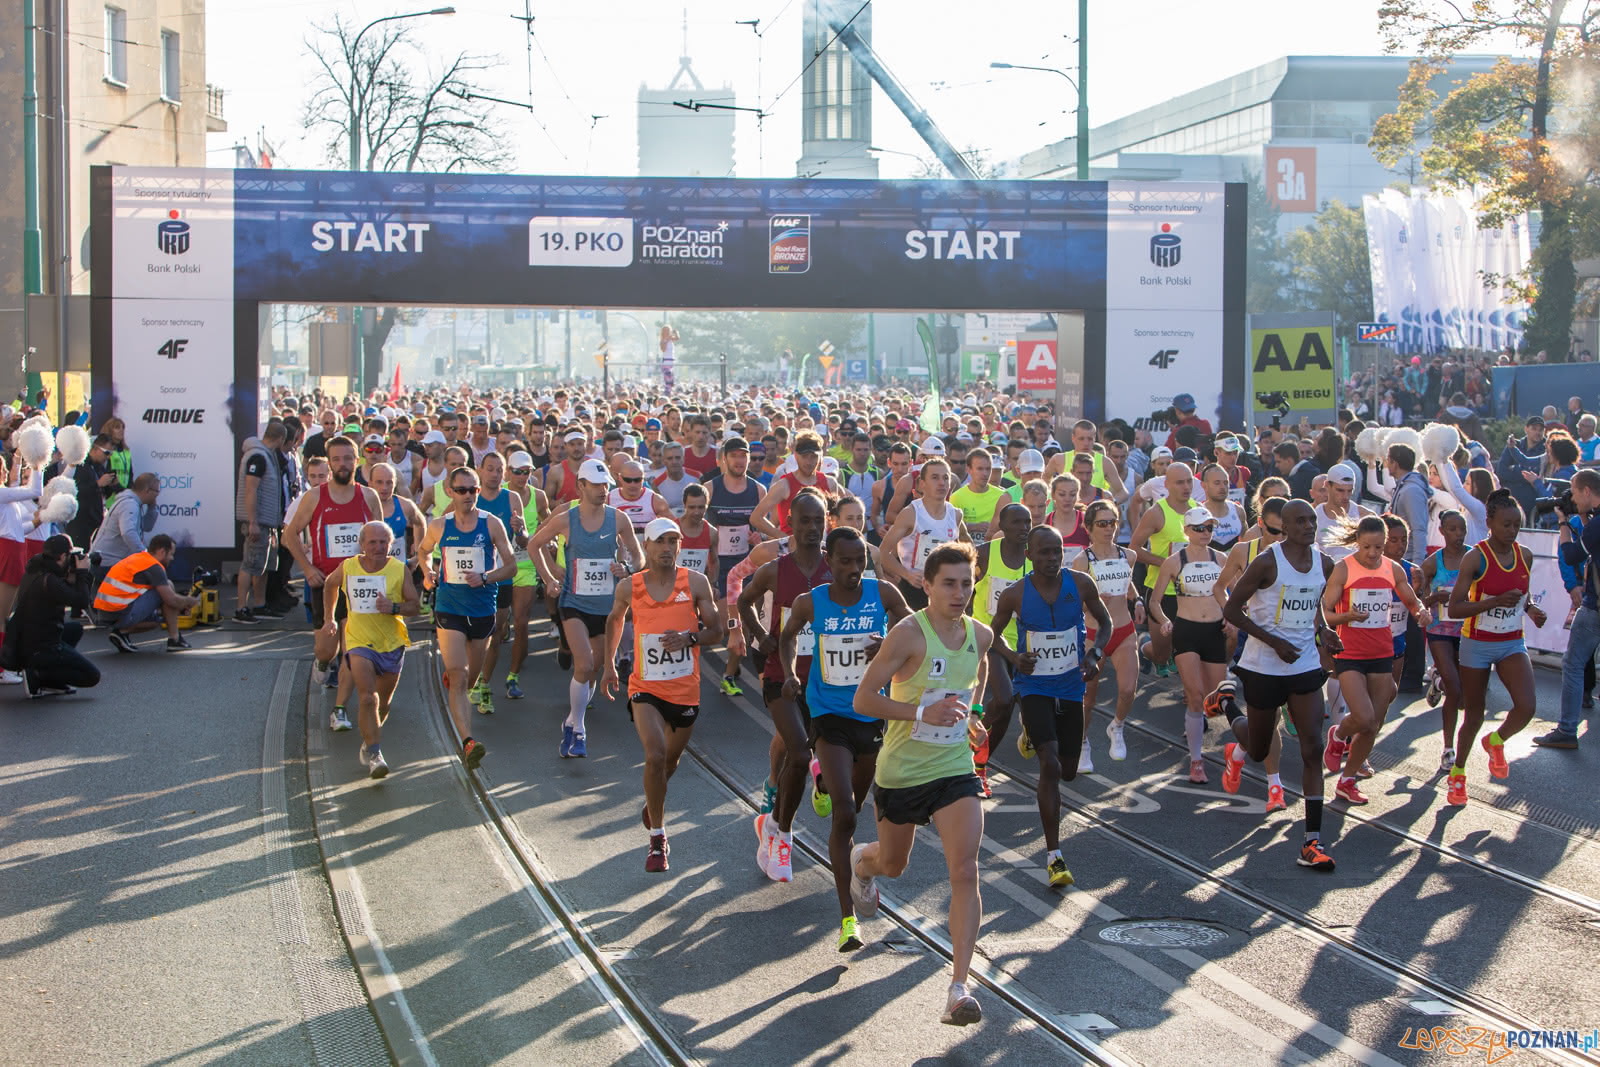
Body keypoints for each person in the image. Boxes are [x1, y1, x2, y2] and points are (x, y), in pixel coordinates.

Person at [849, 542, 992, 1026]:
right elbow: (864, 699)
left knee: (966, 871)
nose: (959, 593)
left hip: (953, 767)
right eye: (948, 583)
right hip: (901, 773)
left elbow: (980, 670)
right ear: (926, 586)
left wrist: (973, 715)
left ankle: (958, 987)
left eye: (966, 583)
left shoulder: (981, 636)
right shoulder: (908, 635)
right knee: (893, 864)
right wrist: (919, 712)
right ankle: (861, 863)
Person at [779, 526, 910, 947]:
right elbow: (784, 637)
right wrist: (787, 675)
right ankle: (847, 919)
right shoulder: (810, 602)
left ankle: (821, 781)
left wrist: (886, 644)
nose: (854, 569)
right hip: (828, 714)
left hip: (870, 715)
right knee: (847, 814)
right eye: (845, 561)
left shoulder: (884, 595)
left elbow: (914, 636)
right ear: (828, 561)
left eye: (860, 561)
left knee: (855, 797)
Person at [1220, 500, 1340, 870]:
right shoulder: (1268, 562)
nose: (1309, 526)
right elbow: (1231, 609)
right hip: (1263, 666)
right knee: (1257, 750)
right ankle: (1226, 704)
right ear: (1285, 527)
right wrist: (1273, 641)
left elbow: (1315, 604)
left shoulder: (1324, 562)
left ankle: (1312, 841)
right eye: (1300, 521)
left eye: (1312, 520)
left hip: (1303, 665)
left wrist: (1324, 631)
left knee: (1312, 746)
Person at [600, 516, 723, 873]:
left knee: (669, 762)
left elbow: (716, 630)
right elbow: (614, 620)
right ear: (648, 546)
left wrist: (691, 638)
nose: (667, 548)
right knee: (654, 756)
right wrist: (609, 665)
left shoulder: (695, 583)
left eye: (673, 542)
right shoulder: (630, 587)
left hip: (685, 690)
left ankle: (654, 799)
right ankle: (658, 838)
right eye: (661, 542)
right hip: (646, 688)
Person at [990, 524, 1111, 886]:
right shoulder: (1014, 594)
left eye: (1056, 551)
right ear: (1029, 555)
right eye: (1043, 552)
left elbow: (1105, 623)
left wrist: (1095, 654)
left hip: (1072, 686)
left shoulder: (1081, 584)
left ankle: (1030, 734)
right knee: (1052, 765)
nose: (1051, 558)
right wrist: (1014, 657)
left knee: (1070, 770)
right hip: (1034, 687)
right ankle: (1054, 856)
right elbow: (991, 634)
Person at [740, 490, 830, 883]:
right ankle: (782, 835)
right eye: (805, 520)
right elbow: (744, 602)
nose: (812, 528)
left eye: (819, 521)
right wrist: (760, 636)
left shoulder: (836, 567)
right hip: (781, 675)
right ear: (789, 523)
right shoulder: (775, 570)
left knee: (810, 759)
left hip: (825, 680)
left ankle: (773, 823)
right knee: (798, 752)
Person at [528, 458, 643, 758]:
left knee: (595, 668)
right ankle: (579, 728)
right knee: (584, 665)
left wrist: (627, 568)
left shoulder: (618, 519)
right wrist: (549, 577)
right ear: (581, 486)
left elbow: (639, 556)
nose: (603, 491)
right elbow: (534, 544)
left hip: (606, 607)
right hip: (574, 602)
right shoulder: (567, 518)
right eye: (596, 486)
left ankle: (570, 721)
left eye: (606, 486)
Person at [1444, 489, 1547, 804]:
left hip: (1512, 641)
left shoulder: (1524, 555)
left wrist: (1530, 609)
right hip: (1477, 643)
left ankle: (1496, 740)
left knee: (1527, 707)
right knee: (1474, 713)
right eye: (1505, 524)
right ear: (1489, 522)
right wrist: (1493, 603)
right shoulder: (1475, 557)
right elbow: (1455, 608)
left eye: (1516, 525)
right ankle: (1458, 773)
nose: (1511, 531)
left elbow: (1521, 593)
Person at [1320, 516, 1430, 805]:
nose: (1372, 553)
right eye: (1367, 547)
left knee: (1373, 725)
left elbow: (1410, 600)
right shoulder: (1343, 569)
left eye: (1378, 548)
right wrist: (1347, 617)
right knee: (1364, 716)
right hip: (1349, 654)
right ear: (1357, 542)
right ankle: (1339, 733)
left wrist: (1421, 612)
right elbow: (1324, 613)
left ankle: (1347, 781)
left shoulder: (1392, 569)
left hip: (1382, 652)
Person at [417, 463, 519, 770]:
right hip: (449, 607)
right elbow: (422, 551)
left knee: (469, 678)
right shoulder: (439, 525)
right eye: (461, 490)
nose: (467, 495)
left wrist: (486, 577)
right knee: (459, 675)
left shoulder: (491, 524)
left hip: (483, 609)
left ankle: (458, 684)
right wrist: (427, 573)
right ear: (450, 492)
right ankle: (468, 741)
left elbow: (511, 567)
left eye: (473, 490)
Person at [283, 436, 382, 719]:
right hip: (325, 582)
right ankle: (324, 664)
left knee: (352, 651)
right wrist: (308, 568)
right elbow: (289, 535)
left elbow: (380, 539)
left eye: (347, 458)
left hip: (359, 584)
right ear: (330, 463)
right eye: (336, 459)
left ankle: (340, 709)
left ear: (357, 460)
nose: (342, 464)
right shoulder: (314, 497)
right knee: (326, 648)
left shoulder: (368, 496)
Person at [322, 521, 419, 779]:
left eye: (383, 542)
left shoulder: (399, 570)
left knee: (383, 704)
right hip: (358, 641)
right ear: (362, 544)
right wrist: (329, 618)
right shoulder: (349, 566)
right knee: (367, 698)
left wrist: (394, 607)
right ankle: (376, 754)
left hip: (391, 643)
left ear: (390, 545)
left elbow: (415, 606)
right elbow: (330, 585)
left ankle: (368, 740)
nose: (378, 547)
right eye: (372, 542)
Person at [1145, 505, 1230, 782]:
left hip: (1215, 631)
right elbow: (1155, 601)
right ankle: (1196, 760)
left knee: (1215, 697)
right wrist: (1164, 620)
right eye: (1199, 528)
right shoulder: (1174, 561)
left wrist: (1232, 618)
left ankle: (1197, 727)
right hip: (1187, 630)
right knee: (1194, 696)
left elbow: (1235, 594)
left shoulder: (1221, 559)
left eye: (1209, 528)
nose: (1205, 533)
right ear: (1187, 531)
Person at [1071, 501, 1143, 767]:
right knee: (1088, 698)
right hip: (1093, 632)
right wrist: (1092, 599)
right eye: (1102, 523)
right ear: (1088, 528)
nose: (1109, 528)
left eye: (1113, 522)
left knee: (1127, 690)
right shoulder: (1082, 561)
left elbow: (1128, 584)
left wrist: (1138, 601)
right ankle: (1082, 742)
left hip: (1123, 630)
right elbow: (1073, 604)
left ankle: (1117, 725)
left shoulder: (1129, 556)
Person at [969, 501, 1030, 795]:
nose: (1023, 528)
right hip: (988, 638)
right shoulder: (984, 554)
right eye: (1016, 522)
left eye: (1027, 522)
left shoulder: (1035, 559)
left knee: (1010, 709)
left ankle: (979, 759)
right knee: (1004, 699)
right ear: (1002, 527)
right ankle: (976, 736)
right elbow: (964, 592)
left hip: (1025, 643)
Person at [2, 533, 102, 696]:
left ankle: (48, 681)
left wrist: (72, 577)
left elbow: (64, 591)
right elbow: (82, 601)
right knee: (92, 676)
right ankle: (38, 674)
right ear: (63, 556)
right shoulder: (50, 581)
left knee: (75, 629)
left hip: (24, 641)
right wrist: (83, 573)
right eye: (70, 556)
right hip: (41, 646)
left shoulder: (37, 569)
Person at [1546, 470, 1600, 750]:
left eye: (1576, 493)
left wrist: (1564, 522)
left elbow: (1571, 554)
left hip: (1595, 608)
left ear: (1588, 491)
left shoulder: (1595, 524)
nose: (1575, 498)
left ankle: (1567, 731)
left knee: (1573, 663)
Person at [705, 437, 762, 697]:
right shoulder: (711, 488)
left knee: (741, 622)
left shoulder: (759, 490)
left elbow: (764, 528)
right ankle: (731, 663)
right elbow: (698, 527)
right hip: (719, 565)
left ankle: (729, 673)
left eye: (744, 456)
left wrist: (758, 537)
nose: (740, 461)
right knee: (723, 624)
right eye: (735, 455)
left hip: (747, 565)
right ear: (724, 459)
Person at [1130, 461, 1195, 677]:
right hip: (1161, 591)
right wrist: (1166, 565)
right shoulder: (1157, 513)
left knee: (1188, 650)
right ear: (1167, 484)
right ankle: (1144, 645)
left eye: (1189, 481)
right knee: (1160, 654)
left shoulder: (1198, 509)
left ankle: (1193, 701)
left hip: (1190, 592)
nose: (1186, 487)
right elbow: (1134, 549)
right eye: (1179, 483)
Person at [880, 457, 969, 611]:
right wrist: (906, 575)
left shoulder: (955, 514)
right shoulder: (910, 513)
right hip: (915, 588)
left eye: (945, 478)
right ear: (922, 483)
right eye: (935, 478)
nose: (941, 483)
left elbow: (967, 549)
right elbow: (882, 553)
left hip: (944, 588)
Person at [1418, 510, 1469, 765]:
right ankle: (1448, 750)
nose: (1458, 535)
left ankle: (1437, 682)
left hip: (1469, 632)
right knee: (1454, 686)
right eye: (1452, 529)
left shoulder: (1475, 558)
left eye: (1462, 529)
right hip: (1440, 632)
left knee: (1461, 698)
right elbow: (1419, 602)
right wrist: (1434, 599)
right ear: (1442, 531)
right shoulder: (1432, 563)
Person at [93, 533, 198, 653]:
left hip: (104, 614)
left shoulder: (138, 558)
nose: (172, 558)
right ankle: (175, 639)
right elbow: (171, 599)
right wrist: (189, 601)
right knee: (168, 586)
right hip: (120, 613)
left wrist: (177, 605)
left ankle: (122, 633)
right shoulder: (154, 566)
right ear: (162, 552)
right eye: (171, 554)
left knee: (156, 620)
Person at [504, 450, 552, 700]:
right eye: (518, 472)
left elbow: (550, 522)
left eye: (527, 472)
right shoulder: (499, 493)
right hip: (499, 565)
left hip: (526, 564)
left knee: (521, 622)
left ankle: (513, 676)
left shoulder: (539, 496)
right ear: (508, 472)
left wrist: (548, 541)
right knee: (498, 626)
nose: (523, 477)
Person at [234, 422, 288, 624]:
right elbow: (251, 489)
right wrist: (253, 521)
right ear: (281, 439)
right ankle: (241, 608)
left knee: (263, 565)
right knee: (250, 563)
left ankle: (259, 604)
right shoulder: (258, 456)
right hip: (257, 521)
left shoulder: (266, 455)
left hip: (267, 521)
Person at [950, 449, 1002, 542]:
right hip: (966, 551)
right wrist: (972, 527)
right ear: (968, 469)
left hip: (992, 550)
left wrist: (993, 529)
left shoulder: (1001, 496)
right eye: (980, 469)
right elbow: (950, 529)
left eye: (988, 469)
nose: (985, 473)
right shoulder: (956, 497)